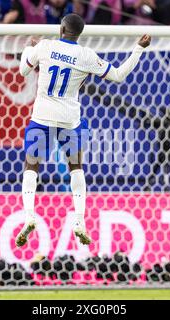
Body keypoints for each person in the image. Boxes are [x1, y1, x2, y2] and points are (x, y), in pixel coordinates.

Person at [16, 13, 151, 247]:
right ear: (79, 34)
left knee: (31, 165)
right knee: (76, 168)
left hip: (43, 115)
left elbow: (23, 71)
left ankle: (29, 216)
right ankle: (79, 220)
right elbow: (119, 75)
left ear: (61, 29)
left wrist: (29, 49)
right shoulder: (86, 56)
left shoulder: (45, 47)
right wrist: (138, 48)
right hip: (70, 119)